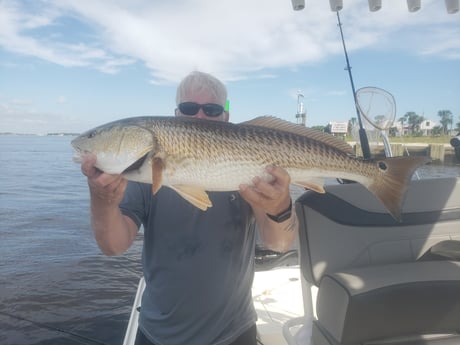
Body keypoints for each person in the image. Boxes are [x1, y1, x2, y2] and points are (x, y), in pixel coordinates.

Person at [80, 71, 298, 345]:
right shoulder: (141, 172)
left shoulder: (254, 168)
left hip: (235, 332)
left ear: (226, 117)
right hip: (159, 333)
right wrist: (103, 201)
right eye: (189, 108)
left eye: (212, 110)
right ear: (175, 114)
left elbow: (279, 243)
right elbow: (113, 246)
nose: (199, 117)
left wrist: (281, 207)